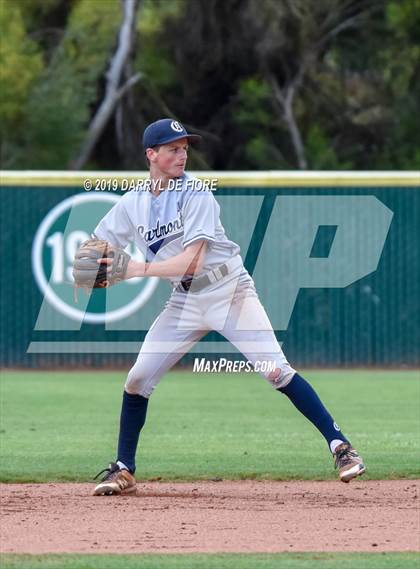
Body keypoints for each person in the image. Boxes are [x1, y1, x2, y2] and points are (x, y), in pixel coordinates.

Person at [91, 118, 365, 495]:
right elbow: (96, 246)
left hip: (229, 290)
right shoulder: (132, 204)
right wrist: (90, 265)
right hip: (184, 300)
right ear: (151, 154)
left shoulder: (197, 193)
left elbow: (191, 262)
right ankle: (124, 468)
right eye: (173, 148)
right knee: (138, 379)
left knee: (275, 370)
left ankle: (341, 447)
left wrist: (134, 268)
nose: (182, 154)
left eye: (185, 147)